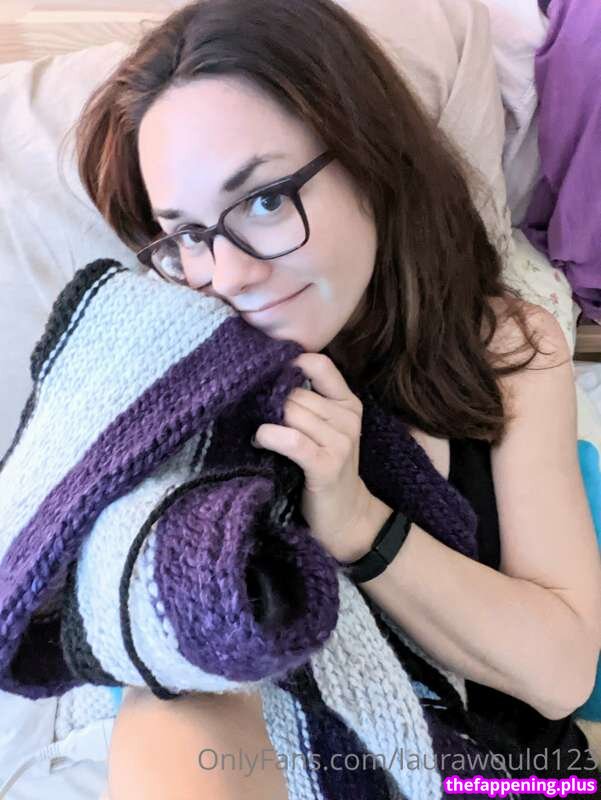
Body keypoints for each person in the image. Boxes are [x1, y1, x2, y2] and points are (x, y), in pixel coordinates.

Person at [72, 0, 601, 797]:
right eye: (188, 234)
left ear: (370, 157)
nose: (229, 276)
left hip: (508, 772)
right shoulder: (183, 377)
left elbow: (560, 674)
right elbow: (183, 699)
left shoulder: (503, 347)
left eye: (263, 200)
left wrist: (358, 525)